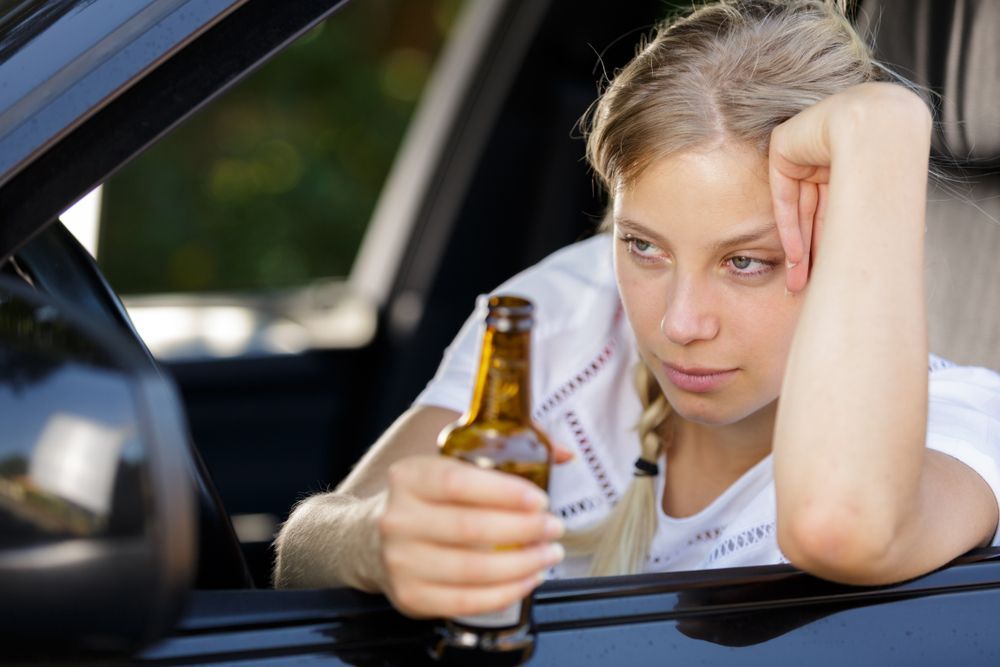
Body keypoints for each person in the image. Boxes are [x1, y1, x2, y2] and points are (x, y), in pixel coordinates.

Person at [273, 0, 1000, 621]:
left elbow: (842, 529)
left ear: (847, 244)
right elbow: (301, 552)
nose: (679, 323)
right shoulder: (566, 313)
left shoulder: (963, 420)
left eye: (747, 261)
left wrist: (885, 126)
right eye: (643, 246)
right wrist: (375, 539)